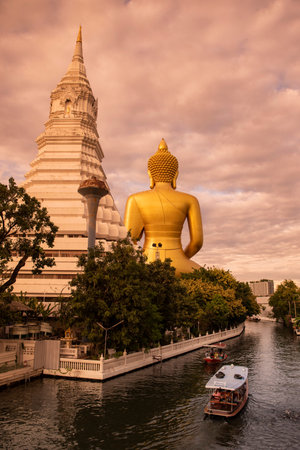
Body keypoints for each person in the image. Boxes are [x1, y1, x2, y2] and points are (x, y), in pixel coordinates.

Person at [124, 139, 203, 275]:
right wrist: (182, 258)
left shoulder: (135, 199)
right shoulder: (190, 200)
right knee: (205, 276)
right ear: (175, 174)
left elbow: (130, 240)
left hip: (147, 262)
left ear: (150, 174)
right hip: (180, 262)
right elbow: (197, 242)